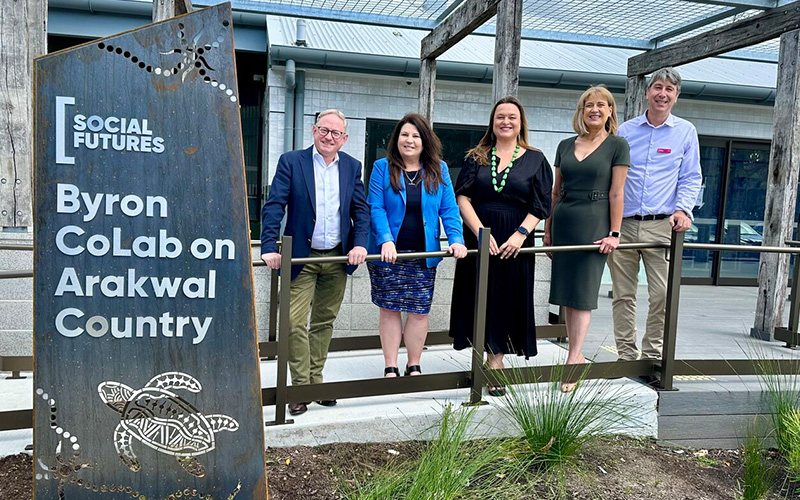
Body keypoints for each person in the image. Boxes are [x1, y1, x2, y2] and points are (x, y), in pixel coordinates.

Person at [261, 109, 370, 416]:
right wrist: (269, 245)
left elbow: (360, 211)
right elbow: (274, 206)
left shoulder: (351, 166)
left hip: (337, 257)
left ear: (344, 139)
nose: (329, 137)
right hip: (301, 258)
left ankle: (315, 383)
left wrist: (360, 243)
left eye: (336, 133)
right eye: (324, 130)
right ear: (314, 130)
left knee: (323, 323)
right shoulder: (291, 162)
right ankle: (300, 388)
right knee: (294, 322)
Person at [449, 96, 553, 396]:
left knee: (507, 297)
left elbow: (541, 204)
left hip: (514, 241)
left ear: (521, 123)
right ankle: (477, 357)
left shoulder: (536, 159)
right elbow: (462, 198)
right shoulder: (476, 156)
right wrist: (480, 231)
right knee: (477, 295)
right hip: (479, 237)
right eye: (500, 117)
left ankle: (496, 362)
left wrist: (521, 234)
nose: (506, 122)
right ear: (492, 123)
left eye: (512, 117)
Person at [610, 67, 702, 368]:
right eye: (658, 87)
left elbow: (690, 177)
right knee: (623, 295)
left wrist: (682, 209)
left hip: (662, 226)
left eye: (669, 89)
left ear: (676, 96)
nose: (662, 94)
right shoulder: (626, 131)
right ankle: (625, 356)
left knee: (661, 294)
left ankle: (651, 357)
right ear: (648, 92)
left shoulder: (685, 132)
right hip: (623, 224)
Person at [367, 113, 467, 378]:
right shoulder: (381, 167)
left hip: (424, 255)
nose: (409, 140)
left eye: (416, 136)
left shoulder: (439, 169)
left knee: (418, 311)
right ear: (396, 139)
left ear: (425, 141)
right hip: (388, 255)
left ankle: (414, 364)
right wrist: (385, 240)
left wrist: (456, 239)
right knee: (389, 309)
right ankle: (390, 366)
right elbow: (375, 208)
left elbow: (449, 209)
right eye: (404, 135)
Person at [545, 85, 630, 392]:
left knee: (582, 294)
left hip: (595, 223)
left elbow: (617, 192)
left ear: (610, 111)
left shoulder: (618, 145)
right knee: (567, 294)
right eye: (588, 105)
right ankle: (575, 352)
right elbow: (555, 191)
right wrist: (548, 229)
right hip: (565, 220)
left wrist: (615, 232)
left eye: (601, 105)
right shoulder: (565, 145)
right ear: (581, 111)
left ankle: (572, 358)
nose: (594, 109)